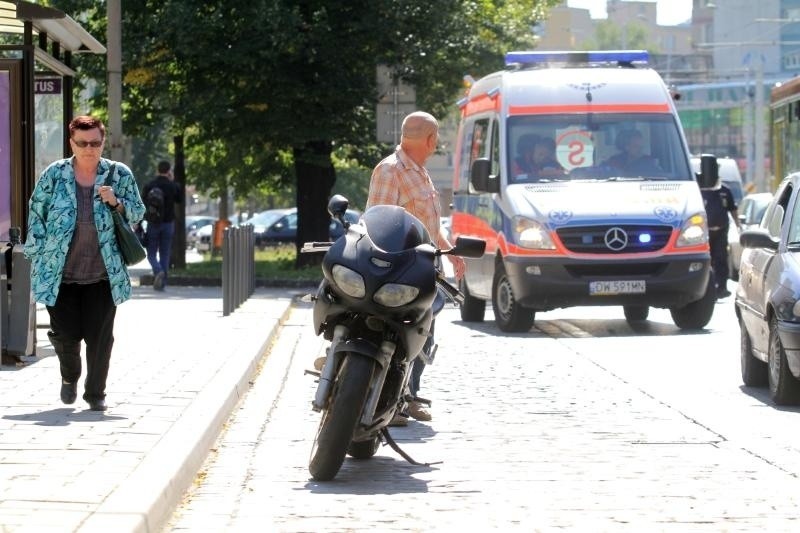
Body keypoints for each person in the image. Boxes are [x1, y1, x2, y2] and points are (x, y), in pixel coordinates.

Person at [24, 115, 146, 411]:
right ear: (72, 143)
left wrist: (116, 202)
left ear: (103, 142)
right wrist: (37, 254)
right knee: (66, 335)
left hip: (104, 273)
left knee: (100, 338)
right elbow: (36, 211)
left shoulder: (118, 174)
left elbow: (137, 212)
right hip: (60, 272)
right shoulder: (55, 174)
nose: (90, 148)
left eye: (95, 142)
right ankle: (70, 377)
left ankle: (96, 393)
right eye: (83, 143)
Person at [366, 111, 465, 425]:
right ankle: (387, 402)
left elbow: (430, 224)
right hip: (401, 270)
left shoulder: (419, 172)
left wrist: (450, 251)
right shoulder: (390, 171)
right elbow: (377, 223)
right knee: (399, 334)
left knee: (423, 335)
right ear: (431, 139)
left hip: (426, 267)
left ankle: (408, 397)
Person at [142, 160, 182, 291]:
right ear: (169, 171)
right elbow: (179, 199)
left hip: (153, 223)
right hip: (168, 223)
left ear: (157, 170)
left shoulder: (150, 185)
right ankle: (162, 282)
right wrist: (173, 181)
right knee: (165, 253)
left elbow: (142, 203)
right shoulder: (172, 186)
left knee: (151, 254)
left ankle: (158, 270)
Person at [701, 174, 740, 299]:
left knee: (721, 258)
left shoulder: (725, 190)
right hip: (703, 232)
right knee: (707, 260)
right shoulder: (700, 190)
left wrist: (738, 225)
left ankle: (722, 287)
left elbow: (732, 209)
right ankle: (706, 289)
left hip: (721, 231)